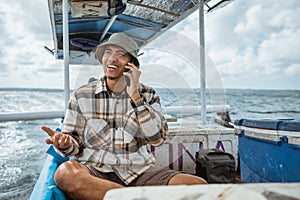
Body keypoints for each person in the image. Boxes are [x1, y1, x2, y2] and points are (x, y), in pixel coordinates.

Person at [42, 32, 207, 200]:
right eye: (108, 52)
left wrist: (135, 96)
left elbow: (157, 139)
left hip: (140, 172)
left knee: (199, 186)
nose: (112, 58)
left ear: (131, 64)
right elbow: (73, 142)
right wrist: (64, 143)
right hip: (96, 173)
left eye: (120, 54)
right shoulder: (81, 95)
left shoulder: (148, 94)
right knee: (64, 174)